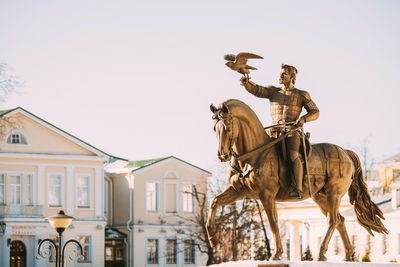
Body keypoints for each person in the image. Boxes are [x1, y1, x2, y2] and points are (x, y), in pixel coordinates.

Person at [240, 64, 319, 198]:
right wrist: (246, 82)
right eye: (280, 74)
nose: (280, 76)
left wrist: (303, 119)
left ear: (292, 77)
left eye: (284, 74)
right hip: (273, 132)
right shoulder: (273, 92)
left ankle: (298, 187)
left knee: (293, 155)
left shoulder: (301, 94)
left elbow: (315, 112)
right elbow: (257, 90)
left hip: (291, 132)